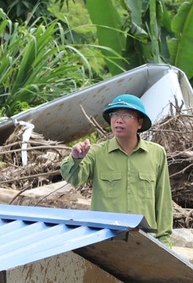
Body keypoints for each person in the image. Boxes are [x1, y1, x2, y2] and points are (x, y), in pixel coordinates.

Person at [61, 94, 173, 245]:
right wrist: (76, 158)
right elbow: (73, 178)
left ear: (140, 123)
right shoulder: (96, 153)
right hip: (105, 239)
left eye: (126, 115)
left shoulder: (156, 153)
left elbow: (163, 200)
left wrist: (164, 241)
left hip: (143, 241)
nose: (118, 120)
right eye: (114, 114)